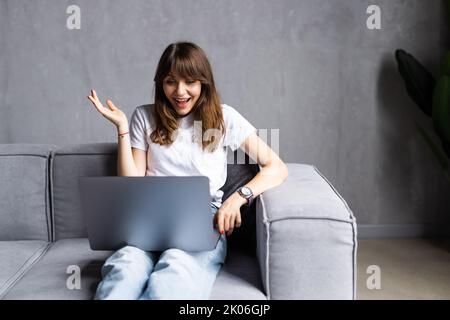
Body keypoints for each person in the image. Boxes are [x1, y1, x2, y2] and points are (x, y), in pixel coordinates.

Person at [86, 42, 288, 300]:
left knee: (171, 278)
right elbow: (132, 184)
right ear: (161, 83)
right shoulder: (144, 117)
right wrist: (122, 128)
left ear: (203, 83)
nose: (180, 91)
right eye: (170, 81)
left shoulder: (225, 118)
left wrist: (238, 197)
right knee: (124, 270)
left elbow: (276, 167)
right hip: (147, 219)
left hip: (203, 218)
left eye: (189, 81)